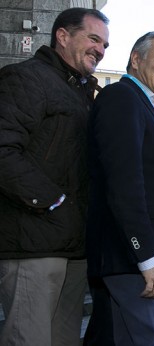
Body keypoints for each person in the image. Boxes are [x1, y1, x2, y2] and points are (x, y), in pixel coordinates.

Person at [0, 8, 109, 346]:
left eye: (105, 44)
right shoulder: (25, 78)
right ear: (62, 36)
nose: (101, 49)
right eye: (93, 39)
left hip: (74, 249)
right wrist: (53, 203)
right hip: (33, 245)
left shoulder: (84, 94)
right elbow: (3, 152)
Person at [85, 31, 154, 345]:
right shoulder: (122, 97)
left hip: (137, 261)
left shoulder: (142, 104)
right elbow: (124, 184)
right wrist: (147, 257)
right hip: (137, 262)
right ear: (136, 59)